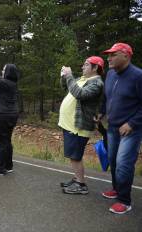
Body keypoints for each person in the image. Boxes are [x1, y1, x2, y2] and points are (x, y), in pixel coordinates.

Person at [98, 43, 142, 214]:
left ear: (126, 55)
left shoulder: (138, 76)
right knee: (114, 161)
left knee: (124, 164)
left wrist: (132, 123)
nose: (108, 58)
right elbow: (106, 97)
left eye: (113, 55)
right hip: (112, 127)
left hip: (131, 129)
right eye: (108, 55)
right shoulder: (110, 74)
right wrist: (101, 113)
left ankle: (124, 201)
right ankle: (117, 189)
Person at [58, 56, 105, 194]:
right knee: (73, 155)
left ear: (95, 68)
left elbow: (80, 94)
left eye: (86, 65)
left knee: (75, 156)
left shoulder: (97, 83)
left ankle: (81, 184)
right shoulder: (82, 79)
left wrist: (70, 75)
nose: (82, 67)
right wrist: (64, 76)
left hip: (79, 126)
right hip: (69, 124)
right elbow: (66, 86)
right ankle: (76, 178)